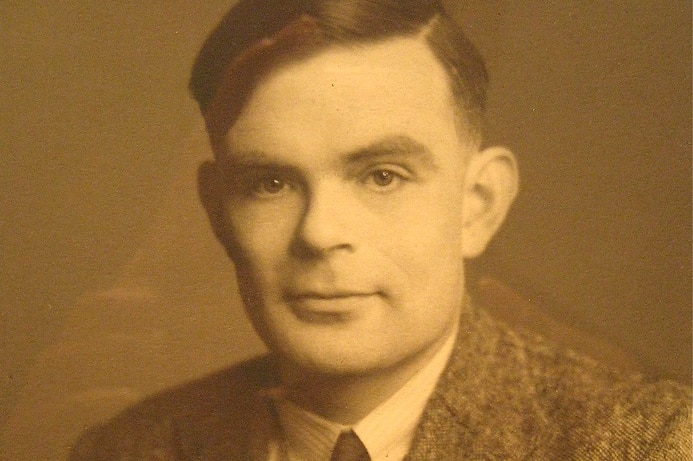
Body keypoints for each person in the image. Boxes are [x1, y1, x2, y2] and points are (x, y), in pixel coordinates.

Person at [70, 0, 691, 459]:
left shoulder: (643, 443)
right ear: (218, 214)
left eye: (382, 176)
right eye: (271, 183)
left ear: (477, 205)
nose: (320, 233)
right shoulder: (127, 450)